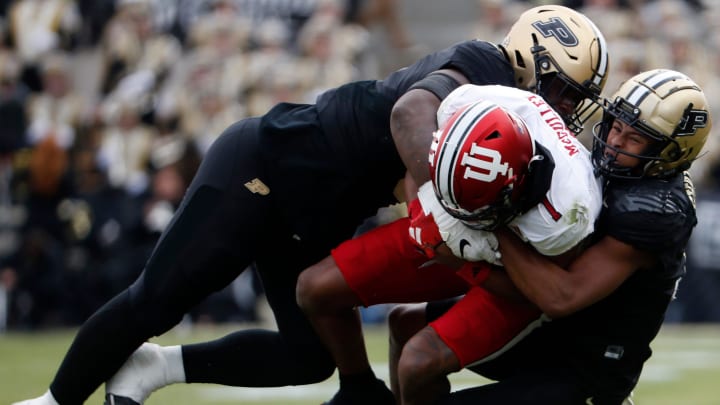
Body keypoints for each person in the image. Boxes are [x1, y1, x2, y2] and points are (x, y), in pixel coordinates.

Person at [12, 5, 608, 405]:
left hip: (315, 211)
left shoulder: (501, 106)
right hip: (265, 168)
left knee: (307, 358)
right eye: (562, 88)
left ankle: (158, 368)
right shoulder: (483, 66)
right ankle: (52, 400)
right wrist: (443, 198)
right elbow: (409, 116)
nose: (562, 106)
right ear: (533, 58)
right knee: (159, 297)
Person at [390, 68, 712, 405]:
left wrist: (492, 218)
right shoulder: (628, 171)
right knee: (405, 324)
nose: (615, 141)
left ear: (671, 155)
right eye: (617, 126)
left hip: (584, 360)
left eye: (634, 138)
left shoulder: (653, 211)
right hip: (547, 326)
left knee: (424, 363)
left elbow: (562, 297)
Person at [296, 81, 603, 405]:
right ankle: (360, 393)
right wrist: (423, 213)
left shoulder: (566, 214)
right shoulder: (472, 104)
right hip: (465, 218)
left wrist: (462, 262)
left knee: (417, 363)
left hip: (518, 267)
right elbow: (411, 129)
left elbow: (535, 293)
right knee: (315, 287)